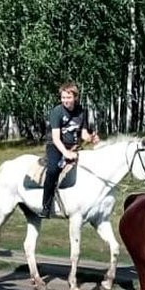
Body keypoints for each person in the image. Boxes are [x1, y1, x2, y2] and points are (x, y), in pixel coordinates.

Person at [40, 81, 98, 218]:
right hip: (56, 146)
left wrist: (91, 138)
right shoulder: (57, 112)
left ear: (75, 97)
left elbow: (83, 133)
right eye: (63, 97)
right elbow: (55, 137)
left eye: (68, 97)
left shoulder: (81, 111)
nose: (65, 100)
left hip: (73, 146)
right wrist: (65, 153)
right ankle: (46, 206)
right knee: (53, 169)